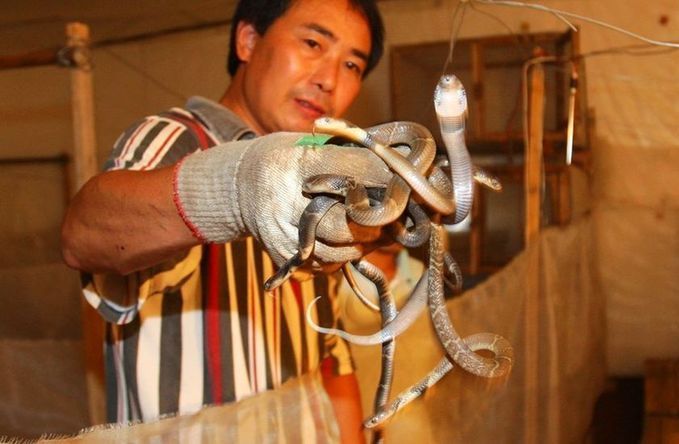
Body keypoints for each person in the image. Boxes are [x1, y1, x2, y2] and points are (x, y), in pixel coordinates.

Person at [60, 0, 388, 442]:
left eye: (351, 64)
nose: (329, 79)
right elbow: (85, 234)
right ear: (248, 40)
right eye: (312, 43)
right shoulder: (173, 139)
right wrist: (233, 185)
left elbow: (330, 359)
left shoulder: (319, 181)